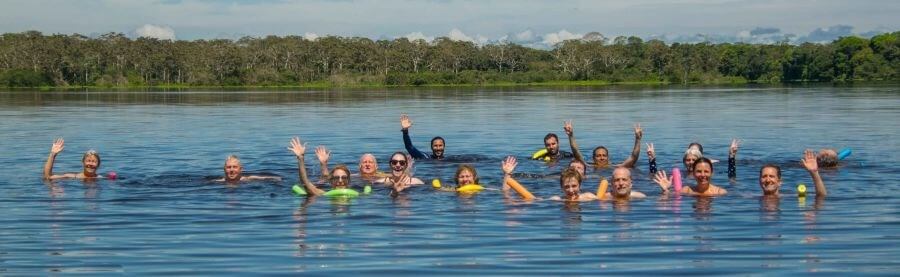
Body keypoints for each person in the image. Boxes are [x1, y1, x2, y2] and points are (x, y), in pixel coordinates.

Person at [502, 156, 597, 202]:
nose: (571, 190)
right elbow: (506, 194)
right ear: (561, 187)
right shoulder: (556, 200)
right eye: (567, 187)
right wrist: (507, 174)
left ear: (580, 185)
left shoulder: (589, 197)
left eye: (574, 186)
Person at [288, 137, 352, 196]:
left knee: (325, 176)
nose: (340, 181)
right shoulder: (323, 194)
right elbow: (305, 182)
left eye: (344, 177)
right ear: (331, 181)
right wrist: (300, 158)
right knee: (325, 177)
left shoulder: (358, 194)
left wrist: (323, 164)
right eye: (336, 178)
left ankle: (323, 164)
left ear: (348, 180)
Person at [565, 121, 642, 168]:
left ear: (608, 158)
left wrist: (638, 139)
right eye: (598, 156)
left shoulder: (614, 167)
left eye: (604, 155)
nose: (602, 158)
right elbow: (576, 152)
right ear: (593, 158)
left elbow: (633, 158)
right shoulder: (588, 166)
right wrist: (571, 136)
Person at [759, 149, 827, 197]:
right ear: (759, 181)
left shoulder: (790, 197)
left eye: (771, 176)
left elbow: (821, 195)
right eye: (764, 176)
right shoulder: (752, 197)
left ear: (780, 182)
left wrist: (814, 173)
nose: (767, 180)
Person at [653, 157, 727, 196]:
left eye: (706, 171)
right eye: (699, 171)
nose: (703, 175)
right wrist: (665, 190)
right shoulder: (686, 190)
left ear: (712, 173)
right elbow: (667, 200)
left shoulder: (720, 192)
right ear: (693, 173)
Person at [216, 154, 282, 183]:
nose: (232, 170)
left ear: (241, 169)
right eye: (229, 167)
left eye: (235, 167)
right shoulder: (218, 182)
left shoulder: (248, 179)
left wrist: (276, 179)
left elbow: (266, 178)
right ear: (224, 169)